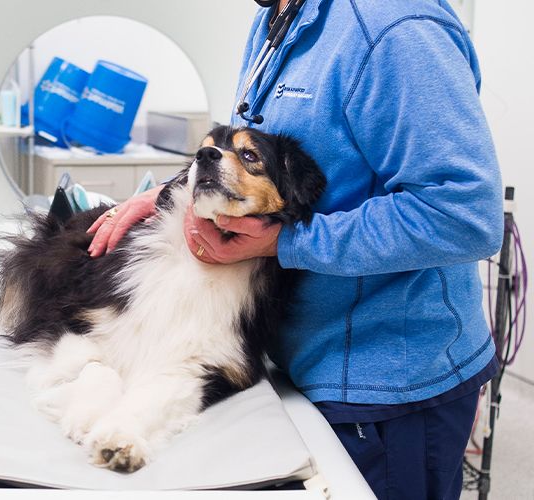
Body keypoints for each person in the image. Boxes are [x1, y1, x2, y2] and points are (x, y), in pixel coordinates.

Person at [88, 0, 503, 498]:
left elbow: (461, 214)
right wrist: (168, 196)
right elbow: (260, 163)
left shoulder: (396, 28)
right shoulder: (279, 19)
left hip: (388, 386)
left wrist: (285, 242)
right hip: (299, 363)